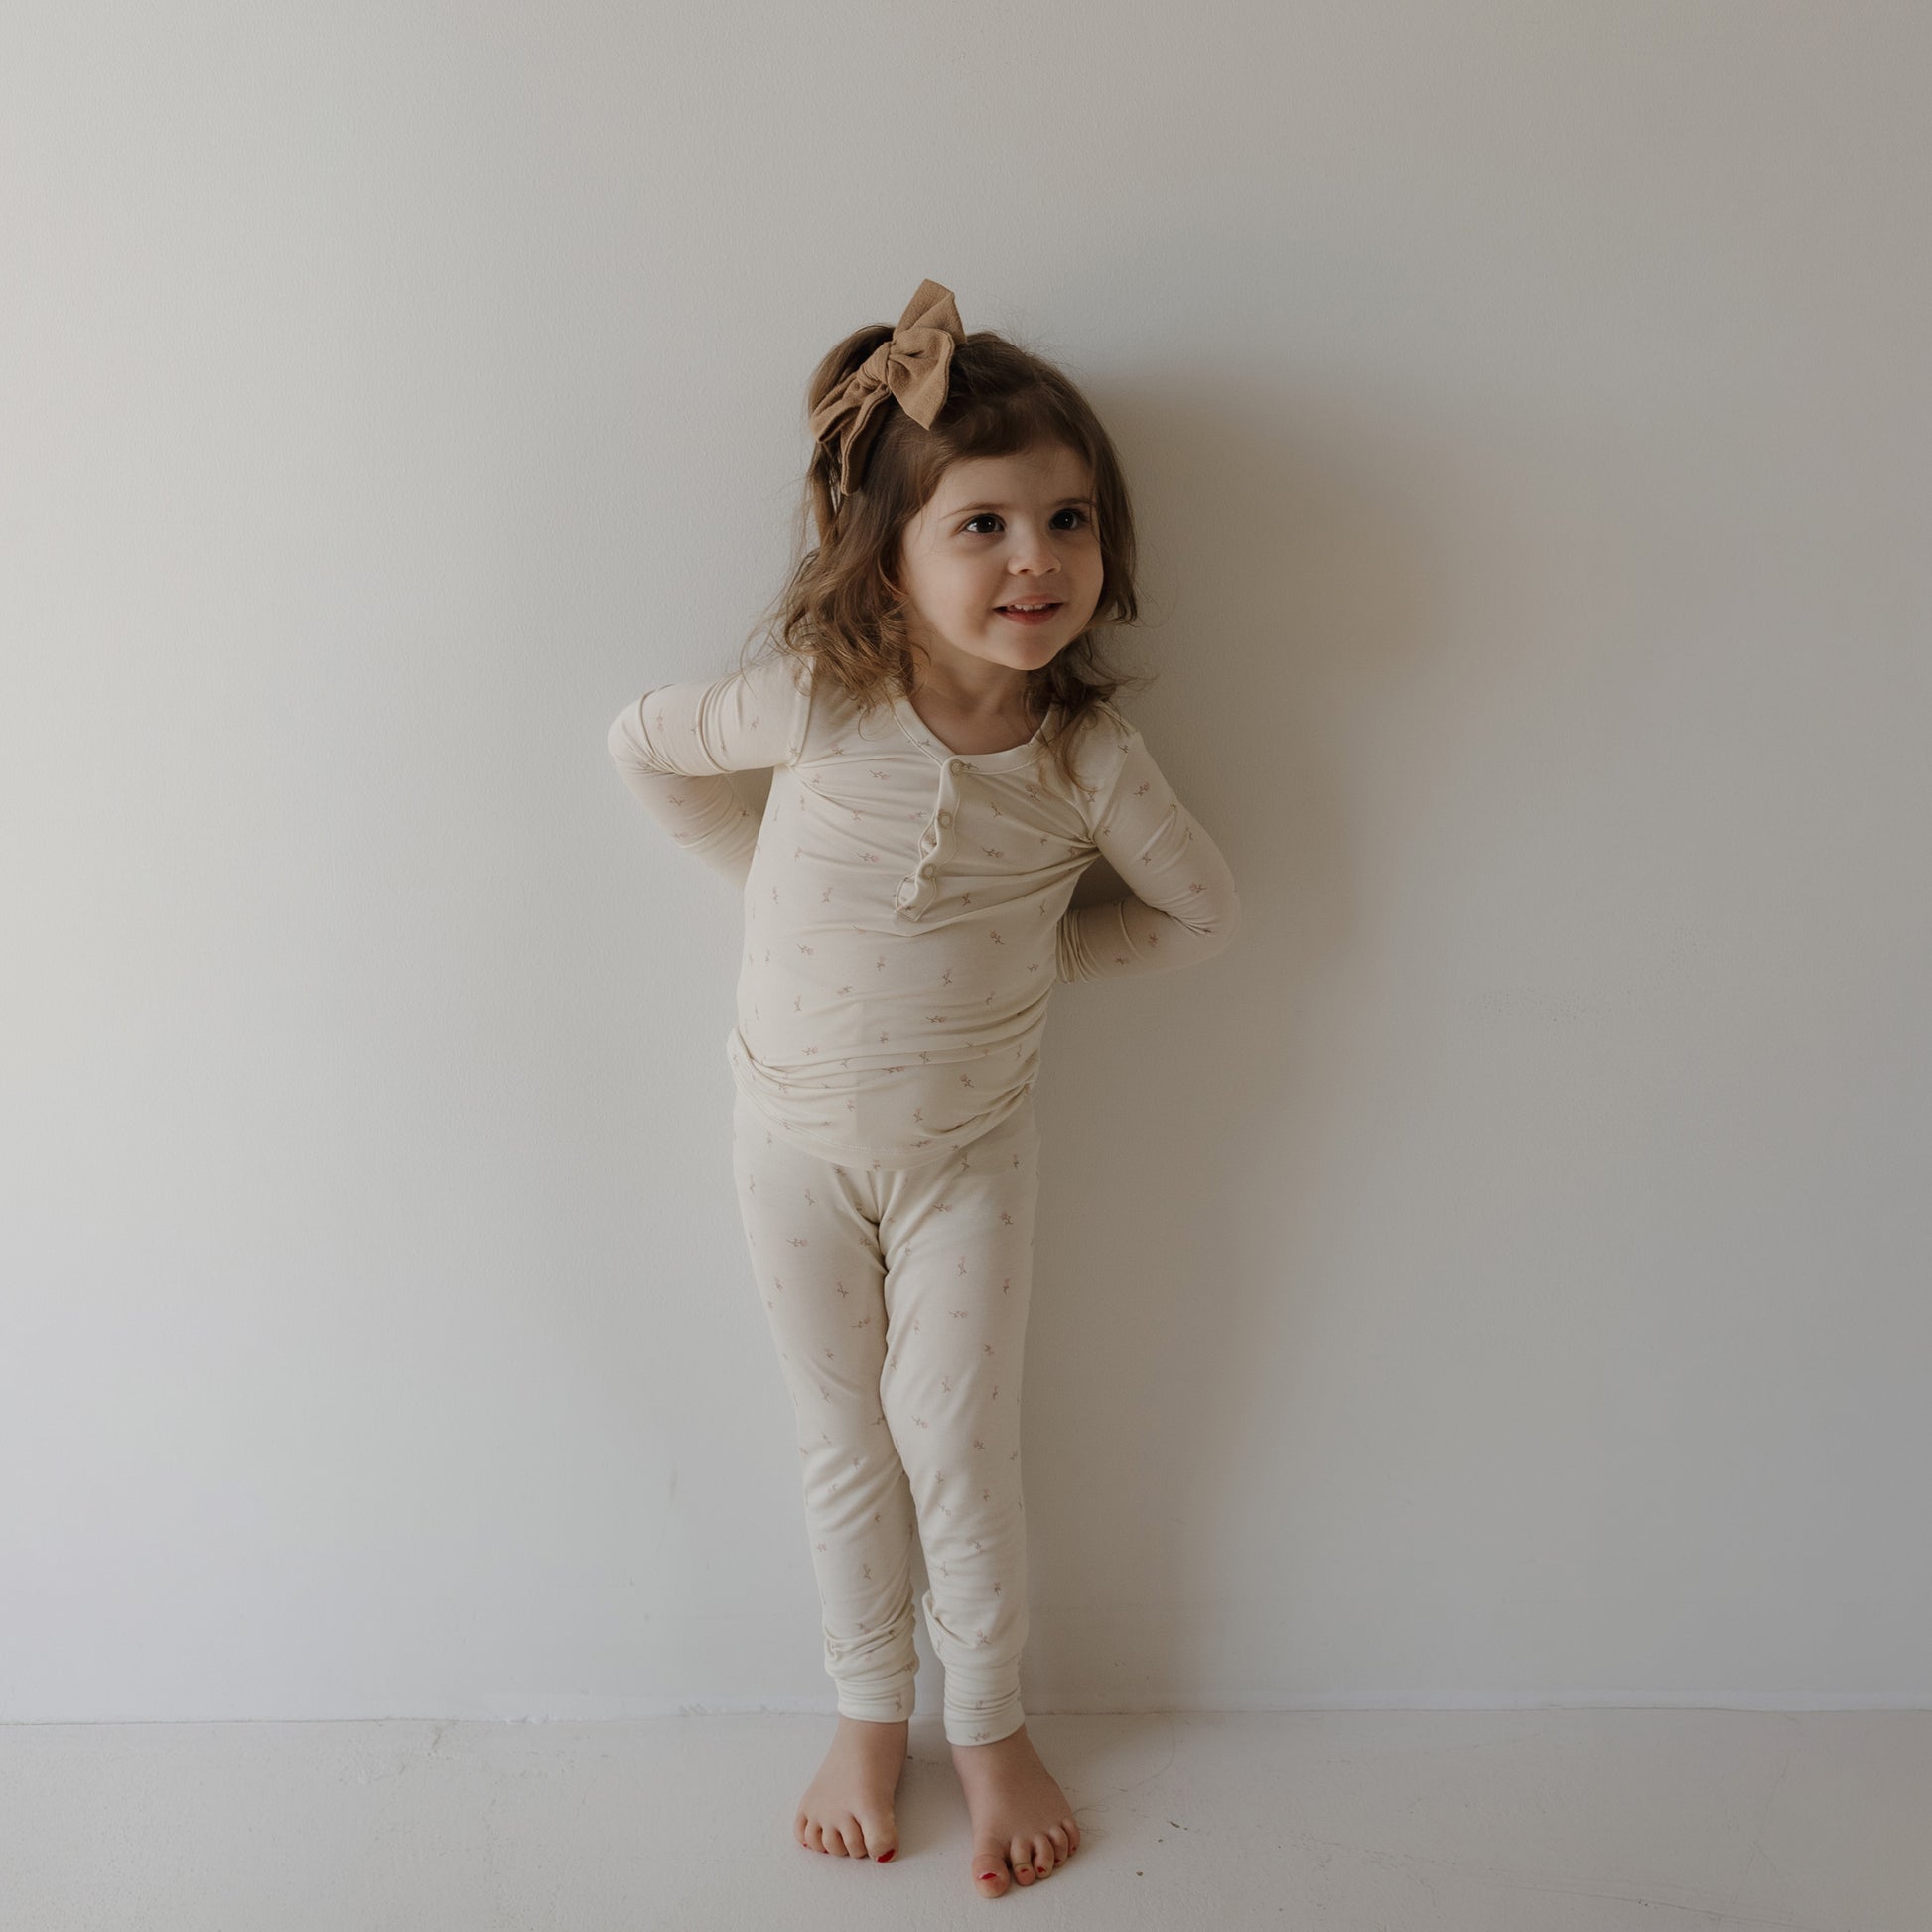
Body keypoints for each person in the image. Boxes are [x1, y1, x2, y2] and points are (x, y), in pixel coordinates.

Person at [606, 278, 1240, 1897]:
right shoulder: (816, 703)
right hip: (789, 1143)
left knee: (953, 1439)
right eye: (983, 525)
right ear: (885, 554)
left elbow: (1194, 915)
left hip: (967, 1157)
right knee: (840, 1439)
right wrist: (760, 889)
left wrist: (1036, 964)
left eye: (1068, 519)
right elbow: (641, 748)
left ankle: (993, 1725)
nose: (1036, 559)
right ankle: (863, 1714)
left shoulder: (1084, 758)